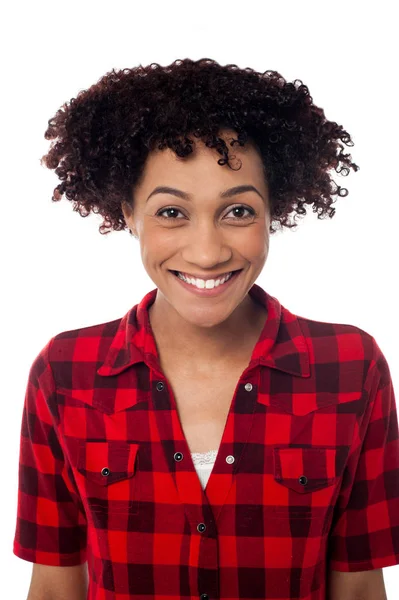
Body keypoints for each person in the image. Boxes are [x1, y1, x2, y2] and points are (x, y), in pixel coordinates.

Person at [13, 58, 398, 600]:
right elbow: (54, 589)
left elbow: (358, 590)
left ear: (274, 213)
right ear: (128, 213)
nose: (208, 252)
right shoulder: (65, 372)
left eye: (238, 211)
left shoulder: (351, 367)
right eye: (172, 212)